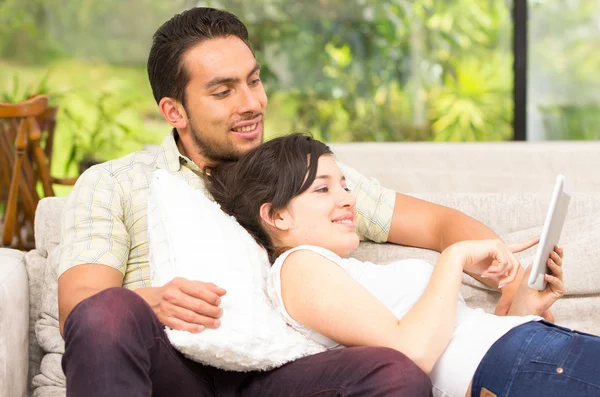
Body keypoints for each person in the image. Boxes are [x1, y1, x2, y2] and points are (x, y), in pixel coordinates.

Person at [56, 6, 538, 397]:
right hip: (175, 373)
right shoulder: (116, 183)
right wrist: (154, 301)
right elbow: (81, 308)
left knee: (395, 374)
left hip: (278, 374)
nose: (251, 103)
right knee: (109, 311)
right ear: (173, 110)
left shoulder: (300, 175)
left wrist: (508, 275)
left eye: (254, 80)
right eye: (223, 91)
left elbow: (437, 225)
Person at [204, 132, 600, 397]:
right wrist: (454, 256)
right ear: (276, 216)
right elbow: (412, 355)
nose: (347, 199)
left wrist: (525, 308)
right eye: (323, 189)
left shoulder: (347, 270)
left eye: (344, 185)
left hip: (526, 352)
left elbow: (457, 336)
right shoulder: (297, 267)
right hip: (511, 365)